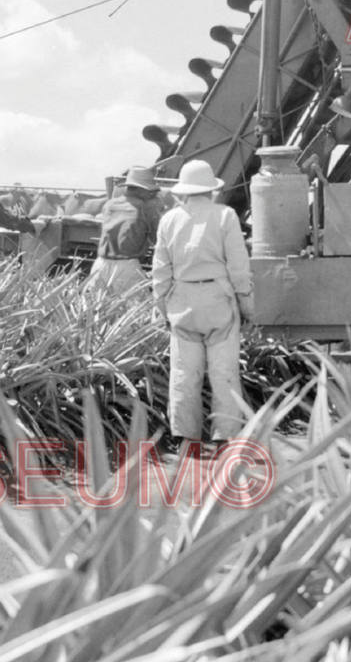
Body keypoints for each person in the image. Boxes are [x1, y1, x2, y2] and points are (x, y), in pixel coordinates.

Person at [150, 159, 253, 455]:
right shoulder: (225, 216)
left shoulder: (169, 220)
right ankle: (224, 438)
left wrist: (162, 307)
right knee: (224, 371)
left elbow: (160, 270)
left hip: (182, 301)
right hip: (218, 299)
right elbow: (238, 266)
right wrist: (246, 305)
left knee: (184, 372)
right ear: (211, 190)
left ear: (184, 191)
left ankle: (185, 439)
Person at [88, 165, 163, 298]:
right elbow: (158, 239)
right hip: (127, 266)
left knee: (96, 310)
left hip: (100, 264)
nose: (151, 194)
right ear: (141, 189)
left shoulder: (110, 205)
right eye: (149, 191)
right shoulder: (146, 208)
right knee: (136, 311)